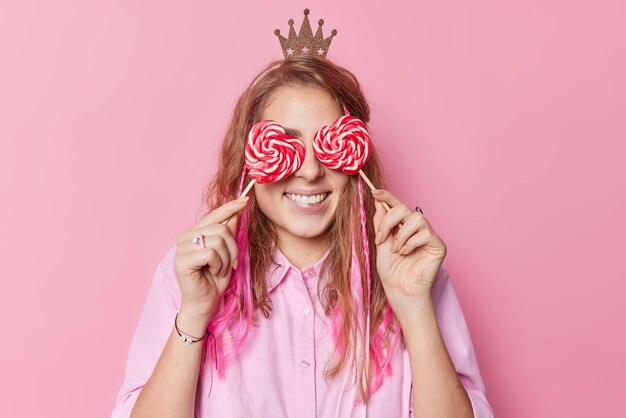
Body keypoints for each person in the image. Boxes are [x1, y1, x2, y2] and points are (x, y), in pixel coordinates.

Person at [111, 55, 493, 417]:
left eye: (328, 145)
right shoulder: (192, 273)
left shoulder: (413, 269)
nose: (310, 171)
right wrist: (194, 313)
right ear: (249, 162)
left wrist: (414, 306)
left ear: (354, 157)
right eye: (287, 144)